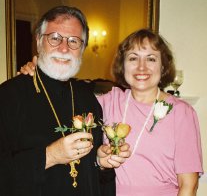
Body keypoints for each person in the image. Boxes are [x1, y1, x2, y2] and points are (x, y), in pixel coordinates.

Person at [21, 28, 203, 196]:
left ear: (163, 66)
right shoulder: (107, 102)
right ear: (122, 66)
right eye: (133, 58)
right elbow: (63, 99)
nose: (141, 67)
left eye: (151, 58)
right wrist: (39, 73)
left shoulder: (181, 113)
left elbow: (189, 185)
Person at [0, 6, 130, 196]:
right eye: (54, 38)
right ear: (38, 42)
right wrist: (50, 156)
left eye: (73, 41)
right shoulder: (8, 96)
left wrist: (101, 163)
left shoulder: (88, 98)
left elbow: (95, 177)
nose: (64, 48)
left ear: (83, 48)